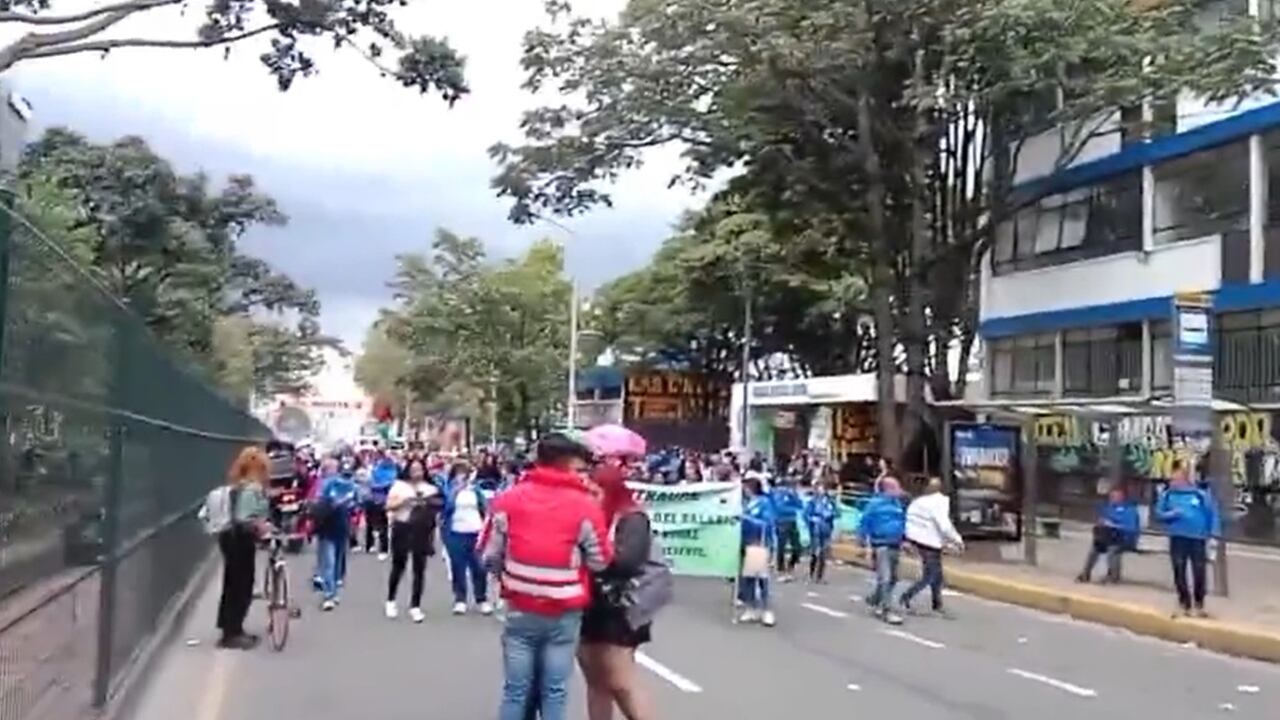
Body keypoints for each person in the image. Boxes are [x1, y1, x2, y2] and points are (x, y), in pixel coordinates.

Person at [480, 432, 613, 720]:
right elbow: (601, 561)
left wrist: (508, 577)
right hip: (564, 608)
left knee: (516, 689)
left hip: (520, 604)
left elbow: (489, 553)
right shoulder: (585, 506)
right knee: (555, 690)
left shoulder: (509, 499)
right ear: (567, 464)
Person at [578, 461, 659, 720]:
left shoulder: (632, 518)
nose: (589, 498)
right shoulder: (590, 517)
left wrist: (592, 553)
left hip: (621, 606)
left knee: (621, 680)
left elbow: (628, 562)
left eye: (595, 492)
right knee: (595, 680)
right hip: (590, 602)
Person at [215, 446, 271, 649]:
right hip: (239, 539)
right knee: (241, 585)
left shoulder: (238, 486)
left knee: (233, 584)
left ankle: (231, 629)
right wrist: (261, 527)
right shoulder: (251, 489)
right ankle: (232, 633)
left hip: (230, 538)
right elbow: (244, 518)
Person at [1155, 461, 1221, 617]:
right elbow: (1158, 513)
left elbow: (1212, 514)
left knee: (1199, 570)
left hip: (1198, 538)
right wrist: (1170, 515)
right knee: (1179, 570)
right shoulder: (1167, 495)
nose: (1172, 482)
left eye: (1175, 479)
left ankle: (1199, 603)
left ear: (1184, 479)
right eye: (1172, 479)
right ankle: (1184, 601)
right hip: (1178, 537)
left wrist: (1214, 534)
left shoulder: (1200, 494)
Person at [385, 457, 443, 622]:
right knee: (399, 564)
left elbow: (439, 505)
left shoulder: (430, 488)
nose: (416, 472)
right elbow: (388, 506)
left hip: (421, 529)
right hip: (402, 526)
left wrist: (427, 503)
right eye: (413, 469)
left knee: (419, 567)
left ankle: (415, 605)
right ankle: (391, 600)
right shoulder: (399, 486)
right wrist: (404, 501)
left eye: (419, 469)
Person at [899, 477, 964, 617]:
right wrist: (956, 540)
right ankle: (906, 597)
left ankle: (937, 605)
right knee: (931, 575)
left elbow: (911, 521)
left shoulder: (918, 502)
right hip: (930, 542)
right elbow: (944, 525)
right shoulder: (939, 502)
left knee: (937, 575)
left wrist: (910, 538)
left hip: (920, 540)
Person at [444, 464, 492, 615]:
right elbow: (446, 509)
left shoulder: (475, 490)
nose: (462, 477)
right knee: (458, 567)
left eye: (465, 474)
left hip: (476, 532)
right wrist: (456, 491)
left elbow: (485, 509)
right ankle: (460, 599)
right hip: (456, 533)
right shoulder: (450, 490)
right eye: (459, 474)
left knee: (479, 567)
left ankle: (481, 598)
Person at [859, 476, 907, 625]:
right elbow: (864, 523)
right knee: (885, 577)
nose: (899, 490)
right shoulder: (875, 504)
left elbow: (902, 522)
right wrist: (863, 544)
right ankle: (886, 610)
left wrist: (905, 540)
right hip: (881, 545)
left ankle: (876, 600)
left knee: (893, 578)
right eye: (895, 487)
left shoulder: (897, 504)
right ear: (887, 489)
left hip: (895, 544)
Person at [314, 455, 359, 611]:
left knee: (338, 562)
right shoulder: (325, 485)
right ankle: (329, 595)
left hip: (342, 527)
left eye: (333, 468)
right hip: (326, 528)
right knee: (329, 562)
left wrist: (350, 507)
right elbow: (319, 504)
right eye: (328, 468)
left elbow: (357, 503)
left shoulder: (350, 485)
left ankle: (334, 588)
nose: (332, 471)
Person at [1077, 487, 1140, 585]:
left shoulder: (1130, 510)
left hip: (1125, 538)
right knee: (1095, 548)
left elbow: (1131, 528)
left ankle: (1113, 577)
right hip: (1109, 537)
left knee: (1113, 550)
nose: (1112, 499)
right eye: (1111, 496)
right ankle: (1086, 574)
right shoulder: (1108, 508)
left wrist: (1113, 525)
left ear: (1122, 497)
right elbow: (1103, 521)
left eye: (1115, 496)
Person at [738, 477, 777, 627]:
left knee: (761, 579)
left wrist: (747, 519)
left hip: (759, 543)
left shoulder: (764, 503)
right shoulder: (746, 504)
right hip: (745, 543)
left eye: (746, 488)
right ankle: (751, 608)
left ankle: (766, 611)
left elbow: (766, 523)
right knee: (747, 579)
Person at [803, 480, 841, 584]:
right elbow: (806, 515)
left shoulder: (830, 501)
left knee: (823, 554)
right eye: (818, 488)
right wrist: (812, 519)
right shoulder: (812, 502)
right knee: (815, 552)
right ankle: (812, 574)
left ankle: (820, 576)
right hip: (815, 530)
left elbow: (837, 513)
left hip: (826, 529)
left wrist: (830, 514)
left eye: (822, 488)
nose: (820, 490)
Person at [770, 477, 804, 582]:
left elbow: (800, 505)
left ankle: (790, 566)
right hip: (781, 521)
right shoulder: (776, 494)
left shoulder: (793, 494)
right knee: (781, 546)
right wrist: (791, 508)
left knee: (797, 547)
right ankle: (781, 569)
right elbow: (779, 507)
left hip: (792, 521)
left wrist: (793, 497)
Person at [366, 452, 397, 559]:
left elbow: (371, 484)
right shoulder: (376, 470)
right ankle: (378, 547)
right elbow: (371, 483)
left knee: (379, 524)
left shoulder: (377, 470)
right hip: (379, 500)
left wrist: (377, 486)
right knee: (379, 524)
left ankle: (379, 547)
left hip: (383, 500)